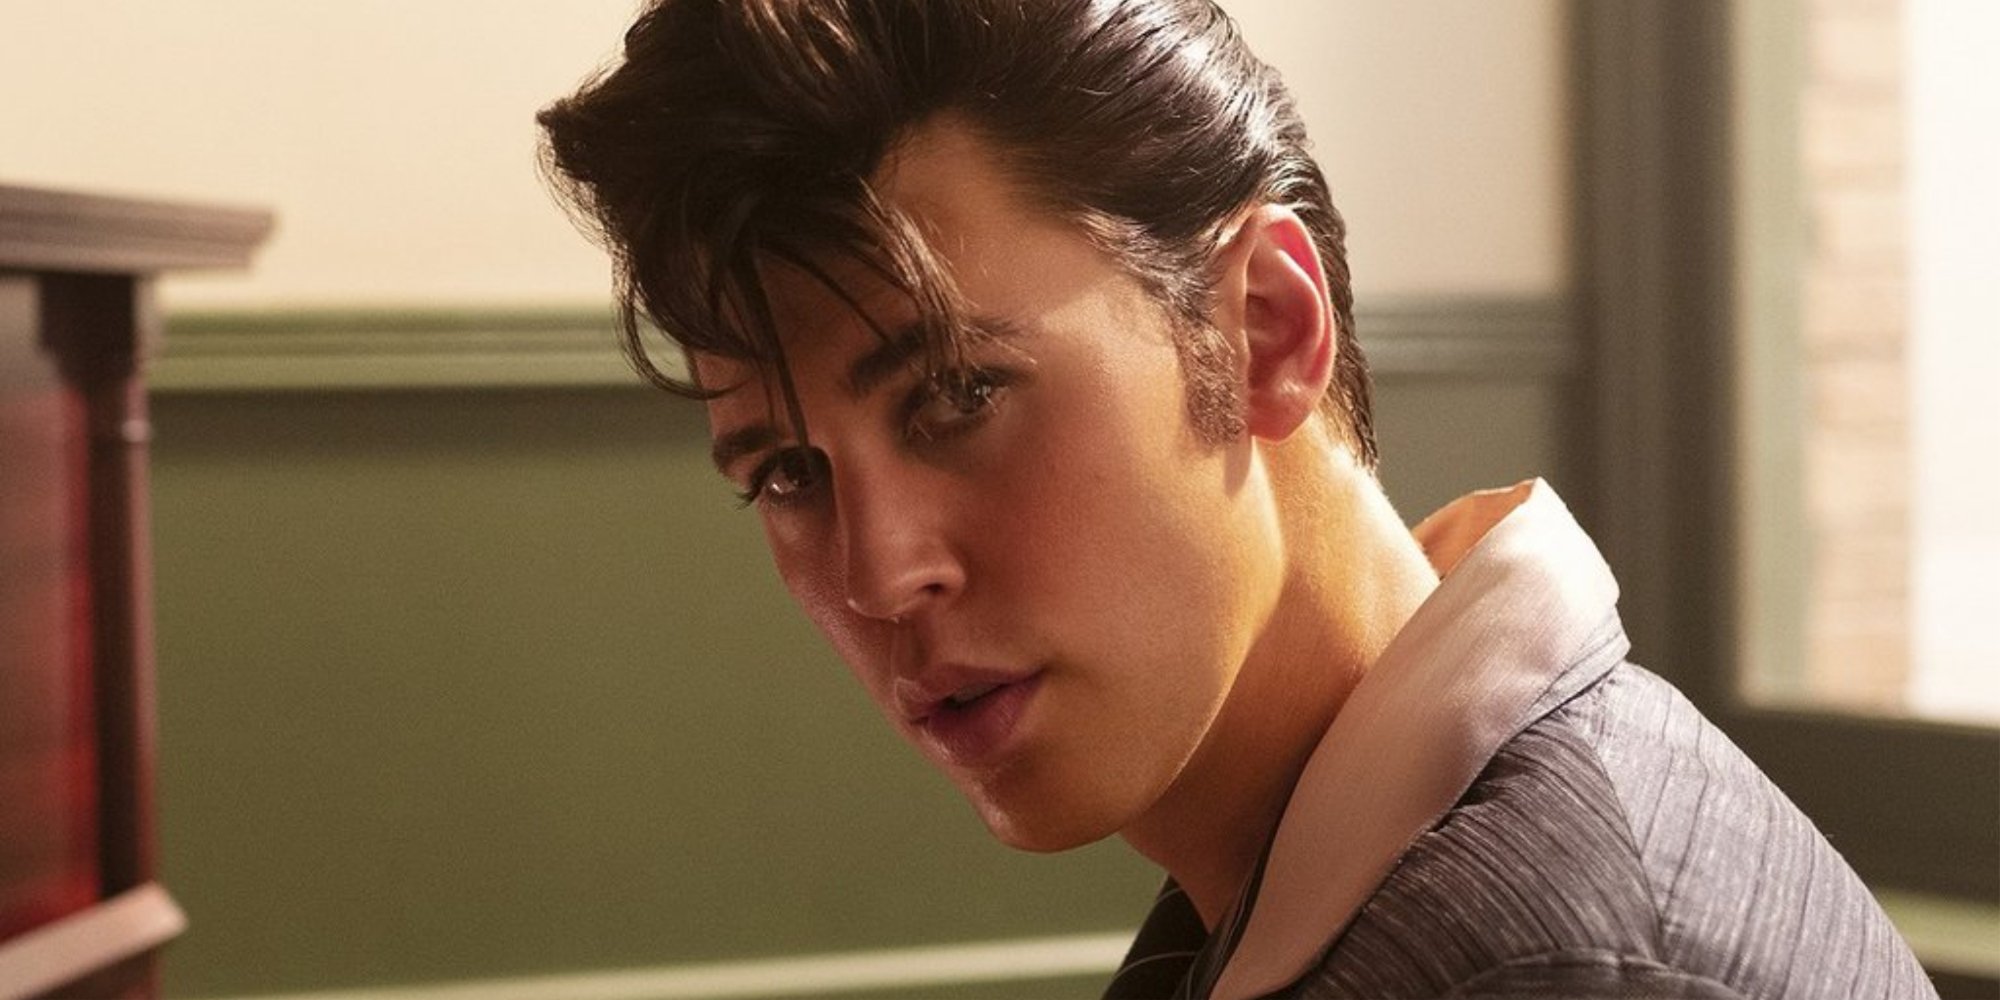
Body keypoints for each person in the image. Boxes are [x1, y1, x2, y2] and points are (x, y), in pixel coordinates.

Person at [536, 1, 1937, 997]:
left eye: (958, 394)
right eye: (789, 474)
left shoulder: (1544, 964)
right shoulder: (1346, 874)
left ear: (1266, 328)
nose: (879, 574)